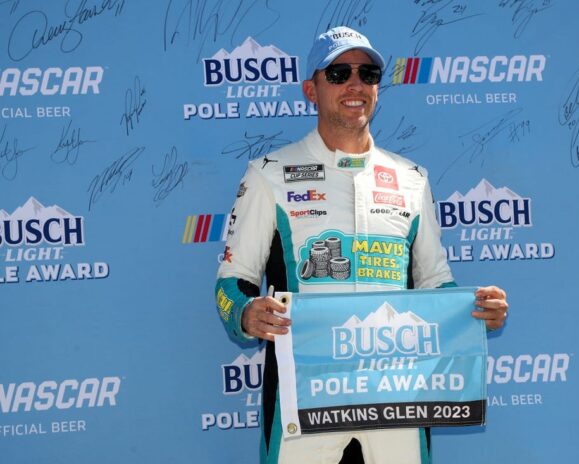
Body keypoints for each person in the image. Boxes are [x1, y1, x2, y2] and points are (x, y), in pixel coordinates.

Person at [215, 26, 509, 464]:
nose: (355, 84)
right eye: (339, 73)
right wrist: (244, 312)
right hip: (306, 396)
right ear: (311, 90)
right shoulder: (269, 174)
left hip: (397, 397)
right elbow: (230, 284)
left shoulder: (412, 178)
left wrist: (475, 309)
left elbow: (435, 284)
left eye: (368, 74)